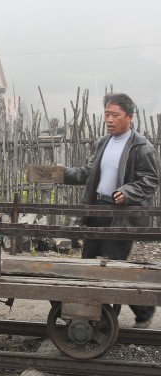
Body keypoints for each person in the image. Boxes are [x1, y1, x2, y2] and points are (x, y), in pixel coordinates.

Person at [64, 92, 160, 328]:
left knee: (114, 265)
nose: (109, 119)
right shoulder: (102, 142)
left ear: (129, 116)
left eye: (115, 115)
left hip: (121, 215)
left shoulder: (142, 147)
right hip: (97, 210)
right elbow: (89, 172)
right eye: (107, 114)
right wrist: (64, 173)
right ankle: (98, 314)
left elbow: (151, 179)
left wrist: (128, 192)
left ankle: (143, 309)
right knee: (89, 261)